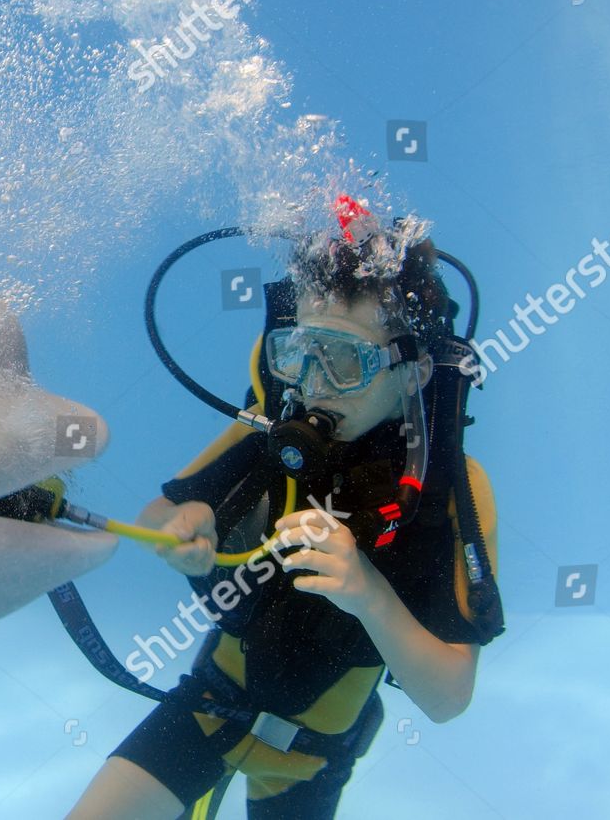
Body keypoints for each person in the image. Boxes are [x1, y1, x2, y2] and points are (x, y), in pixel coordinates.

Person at [67, 232, 501, 820]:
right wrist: (186, 526)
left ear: (414, 372)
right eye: (301, 351)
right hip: (208, 708)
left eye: (346, 359)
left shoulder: (452, 486)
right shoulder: (273, 427)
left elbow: (448, 697)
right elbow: (158, 516)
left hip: (312, 758)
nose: (315, 382)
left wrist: (368, 592)